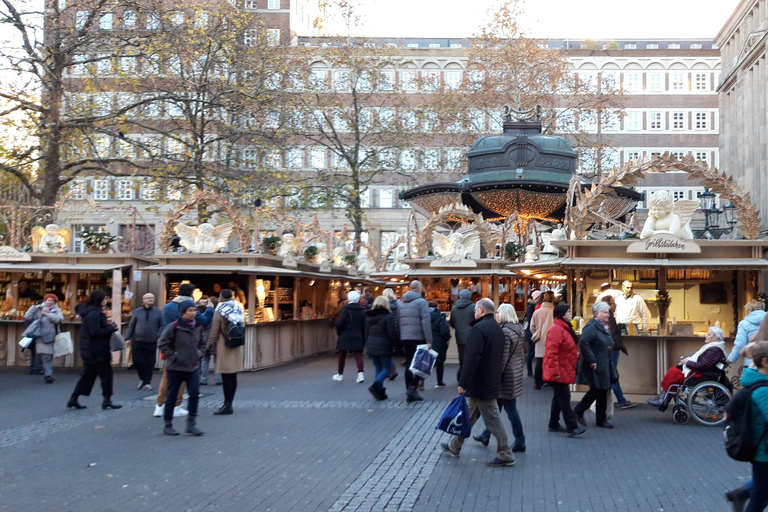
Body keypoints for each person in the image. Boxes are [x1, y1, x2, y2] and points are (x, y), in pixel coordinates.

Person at [440, 298, 514, 467]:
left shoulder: (478, 329)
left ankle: (505, 453)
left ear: (481, 310)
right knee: (469, 414)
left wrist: (463, 382)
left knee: (493, 419)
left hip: (480, 382)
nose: (474, 313)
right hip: (491, 379)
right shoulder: (497, 328)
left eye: (475, 310)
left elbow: (471, 359)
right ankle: (455, 445)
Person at [473, 304, 527, 451]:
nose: (496, 314)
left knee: (509, 408)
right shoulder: (518, 329)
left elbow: (501, 359)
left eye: (498, 312)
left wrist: (494, 376)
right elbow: (521, 355)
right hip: (514, 373)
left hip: (505, 377)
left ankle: (520, 439)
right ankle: (486, 434)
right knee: (498, 406)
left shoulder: (505, 333)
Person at [156, 283, 213, 417]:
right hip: (186, 348)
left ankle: (159, 405)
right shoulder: (189, 307)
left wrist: (170, 353)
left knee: (166, 377)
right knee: (181, 380)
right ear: (191, 293)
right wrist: (210, 309)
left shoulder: (168, 306)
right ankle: (177, 405)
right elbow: (204, 321)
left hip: (172, 347)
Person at [725, 341, 768, 512]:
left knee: (761, 491)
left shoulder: (758, 382)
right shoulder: (763, 390)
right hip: (764, 453)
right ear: (765, 361)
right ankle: (741, 493)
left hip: (762, 451)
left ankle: (741, 493)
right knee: (760, 498)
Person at [647, 326, 727, 410]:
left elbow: (702, 366)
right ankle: (663, 398)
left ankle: (663, 399)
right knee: (674, 370)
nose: (706, 336)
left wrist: (687, 362)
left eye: (708, 334)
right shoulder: (714, 348)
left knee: (674, 372)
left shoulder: (715, 350)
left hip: (702, 375)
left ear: (715, 338)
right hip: (702, 372)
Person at [67, 290, 121, 410]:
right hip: (98, 350)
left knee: (88, 375)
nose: (106, 301)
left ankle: (74, 398)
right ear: (99, 300)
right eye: (104, 299)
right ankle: (107, 400)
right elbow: (95, 332)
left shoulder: (88, 312)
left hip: (90, 349)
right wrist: (111, 328)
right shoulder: (95, 314)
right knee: (106, 375)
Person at [158, 300, 205, 436]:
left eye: (194, 310)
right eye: (189, 310)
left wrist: (199, 354)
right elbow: (163, 344)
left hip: (193, 366)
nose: (192, 313)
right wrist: (173, 356)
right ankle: (168, 424)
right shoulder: (174, 326)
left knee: (194, 393)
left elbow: (203, 344)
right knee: (172, 395)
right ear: (183, 312)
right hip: (176, 367)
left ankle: (191, 424)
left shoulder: (198, 327)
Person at [542, 303, 586, 437]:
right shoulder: (556, 329)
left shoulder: (564, 328)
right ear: (562, 314)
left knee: (559, 397)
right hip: (559, 370)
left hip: (563, 368)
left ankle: (553, 423)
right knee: (564, 398)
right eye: (569, 312)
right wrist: (555, 372)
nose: (571, 314)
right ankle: (572, 427)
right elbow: (551, 353)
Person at [574, 301, 615, 428]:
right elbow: (584, 343)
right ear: (597, 313)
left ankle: (600, 419)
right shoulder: (591, 327)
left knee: (602, 389)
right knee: (598, 389)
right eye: (605, 312)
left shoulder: (602, 327)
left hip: (603, 362)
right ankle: (579, 410)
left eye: (608, 312)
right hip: (597, 363)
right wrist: (592, 360)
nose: (608, 315)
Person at [208, 289, 245, 415]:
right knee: (233, 375)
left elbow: (214, 330)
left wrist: (209, 346)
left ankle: (227, 404)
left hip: (225, 345)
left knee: (225, 375)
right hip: (237, 345)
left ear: (221, 297)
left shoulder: (219, 309)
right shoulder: (238, 307)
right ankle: (230, 402)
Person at [398, 280, 433, 402]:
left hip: (406, 337)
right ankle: (413, 387)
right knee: (422, 364)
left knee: (409, 363)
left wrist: (401, 336)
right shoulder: (422, 302)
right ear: (419, 289)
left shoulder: (401, 303)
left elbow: (398, 321)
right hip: (419, 337)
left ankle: (409, 390)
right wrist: (429, 340)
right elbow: (425, 322)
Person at [125, 293, 165, 391]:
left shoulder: (158, 312)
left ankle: (147, 382)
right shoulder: (137, 311)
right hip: (138, 341)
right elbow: (132, 325)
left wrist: (158, 335)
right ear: (143, 300)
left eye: (152, 298)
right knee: (137, 362)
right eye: (148, 298)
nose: (151, 299)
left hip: (151, 341)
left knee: (149, 363)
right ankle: (142, 378)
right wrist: (128, 337)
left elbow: (163, 325)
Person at [603, 295, 636, 412]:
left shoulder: (607, 318)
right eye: (613, 303)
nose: (615, 305)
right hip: (613, 351)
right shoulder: (610, 318)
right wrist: (617, 346)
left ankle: (618, 400)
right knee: (613, 376)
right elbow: (612, 335)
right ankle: (620, 400)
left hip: (610, 350)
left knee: (612, 376)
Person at [23, 293, 63, 384]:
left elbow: (59, 319)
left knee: (50, 355)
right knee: (46, 356)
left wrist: (48, 314)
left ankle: (48, 373)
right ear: (45, 300)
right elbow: (27, 317)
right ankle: (48, 375)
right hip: (41, 336)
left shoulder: (57, 310)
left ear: (55, 302)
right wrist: (34, 307)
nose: (50, 302)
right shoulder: (39, 309)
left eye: (52, 301)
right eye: (48, 300)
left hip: (53, 336)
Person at [365, 296, 398, 400]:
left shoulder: (369, 317)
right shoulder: (387, 317)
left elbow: (366, 332)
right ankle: (376, 385)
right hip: (384, 345)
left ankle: (379, 391)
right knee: (386, 368)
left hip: (371, 344)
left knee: (378, 368)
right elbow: (391, 333)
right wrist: (396, 343)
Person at [333, 290, 367, 383]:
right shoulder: (362, 310)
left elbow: (339, 322)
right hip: (358, 334)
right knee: (358, 355)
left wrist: (341, 328)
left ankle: (340, 374)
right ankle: (361, 374)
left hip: (345, 334)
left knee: (342, 355)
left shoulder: (346, 309)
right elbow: (364, 325)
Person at [728, 300, 767, 367]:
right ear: (763, 308)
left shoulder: (744, 323)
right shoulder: (766, 320)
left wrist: (730, 359)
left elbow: (740, 344)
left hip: (751, 362)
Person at [530, 290, 555, 390]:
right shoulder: (554, 311)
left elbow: (532, 327)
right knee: (551, 361)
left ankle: (537, 382)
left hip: (540, 340)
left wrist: (537, 333)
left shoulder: (537, 312)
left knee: (539, 361)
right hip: (552, 338)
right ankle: (550, 381)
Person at [449, 289, 474, 381]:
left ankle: (461, 377)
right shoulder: (473, 307)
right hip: (472, 336)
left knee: (462, 357)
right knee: (471, 357)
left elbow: (452, 323)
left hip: (459, 337)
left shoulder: (454, 308)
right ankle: (469, 377)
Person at [428, 301, 451, 388]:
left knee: (426, 362)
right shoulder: (440, 317)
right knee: (440, 363)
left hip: (427, 341)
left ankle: (420, 381)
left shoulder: (424, 316)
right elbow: (444, 331)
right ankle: (439, 381)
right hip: (439, 342)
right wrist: (447, 337)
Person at [199, 297, 221, 386]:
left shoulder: (205, 314)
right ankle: (218, 379)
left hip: (206, 338)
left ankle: (204, 379)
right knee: (217, 360)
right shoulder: (219, 314)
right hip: (217, 338)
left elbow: (202, 324)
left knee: (205, 359)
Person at [381, 288, 400, 380]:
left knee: (386, 352)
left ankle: (391, 371)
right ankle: (391, 370)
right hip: (396, 329)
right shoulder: (398, 304)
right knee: (390, 350)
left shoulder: (384, 305)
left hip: (387, 329)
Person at [523, 290, 542, 377]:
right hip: (532, 332)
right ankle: (530, 371)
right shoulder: (531, 307)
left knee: (533, 352)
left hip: (532, 332)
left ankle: (531, 371)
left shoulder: (533, 306)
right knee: (532, 352)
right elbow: (531, 320)